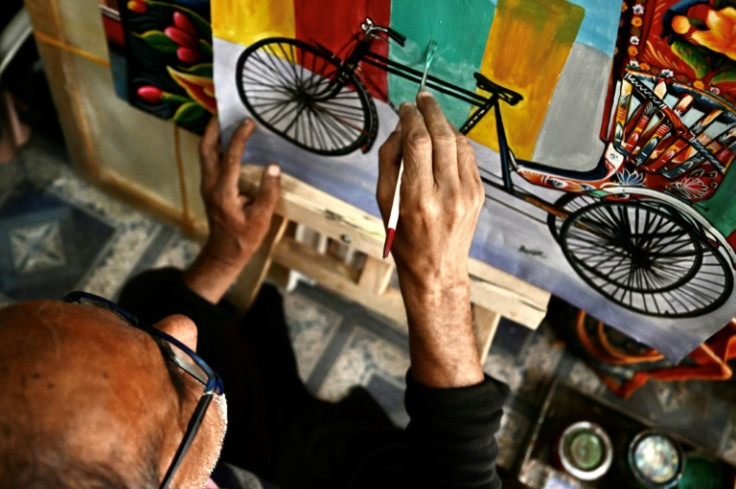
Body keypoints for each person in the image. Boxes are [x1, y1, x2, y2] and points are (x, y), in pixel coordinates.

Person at [0, 92, 509, 489]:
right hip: (318, 467)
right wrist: (438, 284)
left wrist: (224, 257)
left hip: (281, 447)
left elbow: (168, 321)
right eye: (176, 392)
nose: (181, 330)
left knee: (154, 299)